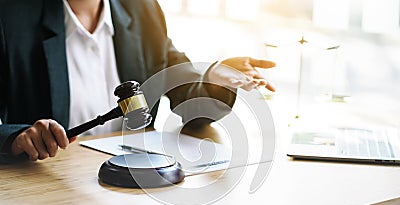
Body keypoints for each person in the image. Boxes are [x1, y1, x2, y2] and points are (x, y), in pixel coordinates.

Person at [0, 0, 276, 162]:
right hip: (49, 193)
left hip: (133, 183)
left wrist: (216, 79)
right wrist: (16, 137)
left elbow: (188, 101)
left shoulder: (141, 9)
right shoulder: (10, 17)